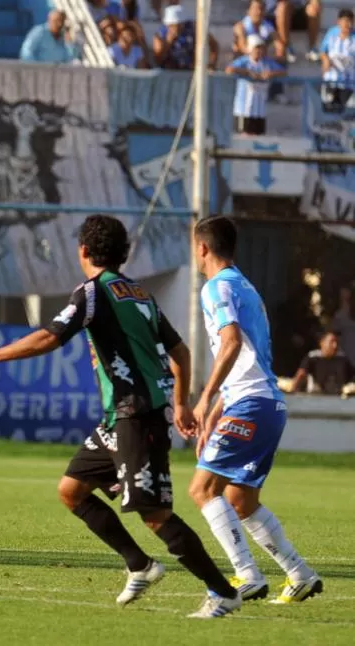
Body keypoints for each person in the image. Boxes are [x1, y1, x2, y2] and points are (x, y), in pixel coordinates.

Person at [0, 214, 242, 619]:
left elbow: (51, 336)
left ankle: (223, 591)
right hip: (119, 418)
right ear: (121, 253)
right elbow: (182, 354)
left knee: (154, 514)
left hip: (137, 416)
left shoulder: (93, 292)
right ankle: (140, 565)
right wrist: (178, 402)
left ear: (83, 250)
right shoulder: (139, 294)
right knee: (72, 490)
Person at [187, 216, 323, 605]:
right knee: (240, 500)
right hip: (267, 403)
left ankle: (247, 576)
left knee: (202, 489)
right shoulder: (246, 286)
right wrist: (215, 413)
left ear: (202, 248)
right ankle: (300, 574)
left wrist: (204, 397)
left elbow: (230, 344)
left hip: (250, 402)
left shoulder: (216, 287)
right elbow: (249, 355)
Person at [289, 330, 353, 394]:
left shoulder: (343, 359)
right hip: (316, 396)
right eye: (332, 342)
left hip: (339, 397)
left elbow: (352, 376)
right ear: (322, 343)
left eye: (337, 342)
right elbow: (301, 374)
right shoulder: (313, 357)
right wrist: (293, 390)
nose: (335, 345)